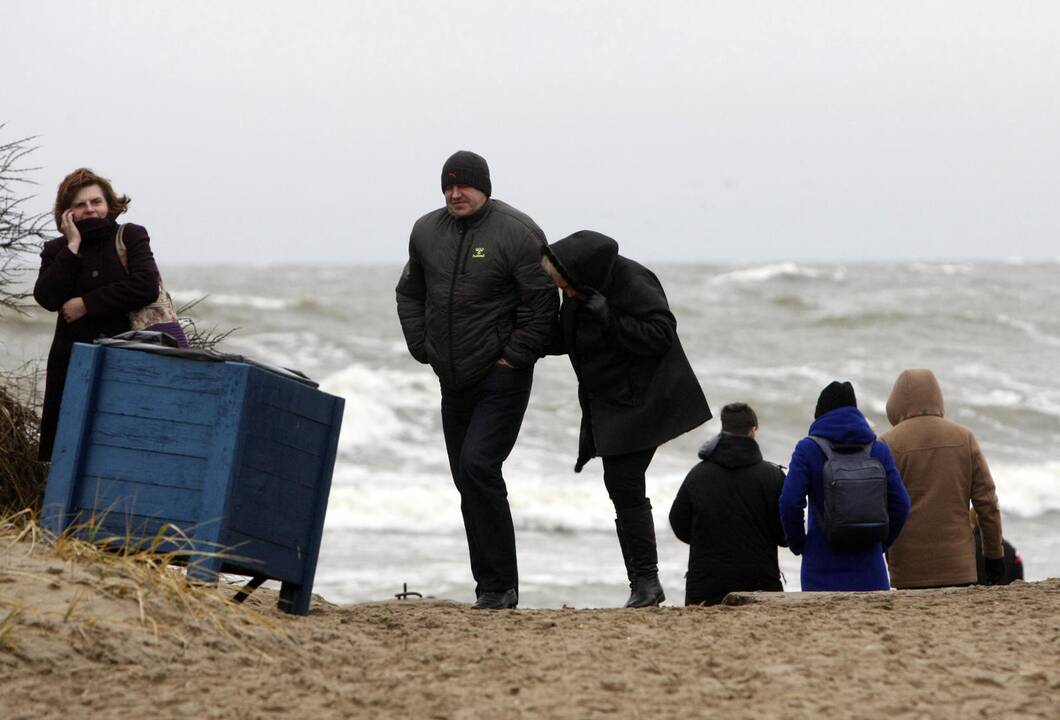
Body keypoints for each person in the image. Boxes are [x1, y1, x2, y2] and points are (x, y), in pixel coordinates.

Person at [395, 151, 557, 610]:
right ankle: (488, 585)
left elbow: (542, 305)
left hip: (500, 377)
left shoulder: (517, 231)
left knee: (479, 467)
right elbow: (409, 292)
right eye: (447, 186)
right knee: (466, 478)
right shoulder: (426, 231)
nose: (454, 194)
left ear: (483, 186)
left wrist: (514, 357)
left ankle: (500, 587)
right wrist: (421, 346)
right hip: (452, 377)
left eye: (463, 186)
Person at [541, 230, 711, 607]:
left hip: (646, 399)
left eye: (564, 284)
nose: (564, 292)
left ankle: (646, 583)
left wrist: (609, 317)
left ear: (582, 272)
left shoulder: (632, 280)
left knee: (622, 480)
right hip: (612, 403)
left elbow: (661, 333)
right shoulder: (582, 288)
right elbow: (568, 336)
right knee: (620, 484)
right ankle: (643, 583)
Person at [34, 168, 185, 462]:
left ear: (109, 204)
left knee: (125, 442)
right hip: (72, 362)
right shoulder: (57, 249)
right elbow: (47, 298)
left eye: (96, 202)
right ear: (68, 213)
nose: (90, 209)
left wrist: (86, 304)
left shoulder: (130, 235)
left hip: (130, 355)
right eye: (80, 205)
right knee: (68, 450)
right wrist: (73, 247)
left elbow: (145, 285)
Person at [779, 381, 910, 591]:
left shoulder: (807, 449)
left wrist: (800, 545)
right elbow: (901, 504)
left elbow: (789, 502)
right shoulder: (878, 450)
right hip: (870, 568)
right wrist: (881, 544)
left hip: (820, 568)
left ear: (820, 415)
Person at [881, 369, 1006, 588]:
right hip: (959, 567)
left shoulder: (888, 443)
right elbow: (987, 503)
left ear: (896, 402)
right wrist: (994, 555)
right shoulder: (964, 438)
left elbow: (880, 506)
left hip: (908, 569)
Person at [669, 403, 787, 605]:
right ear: (753, 432)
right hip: (761, 583)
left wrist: (705, 540)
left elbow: (678, 522)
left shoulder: (698, 474)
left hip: (706, 585)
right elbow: (785, 535)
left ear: (722, 431)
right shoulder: (773, 476)